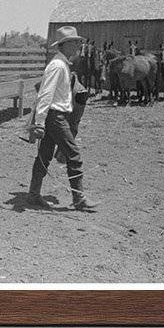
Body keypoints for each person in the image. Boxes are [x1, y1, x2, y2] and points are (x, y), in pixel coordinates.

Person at [26, 25, 98, 212]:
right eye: (74, 42)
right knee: (73, 155)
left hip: (55, 116)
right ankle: (79, 198)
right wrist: (39, 122)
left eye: (77, 42)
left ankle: (33, 194)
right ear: (64, 45)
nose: (77, 45)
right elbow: (45, 94)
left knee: (45, 155)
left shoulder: (61, 64)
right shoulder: (58, 66)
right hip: (55, 117)